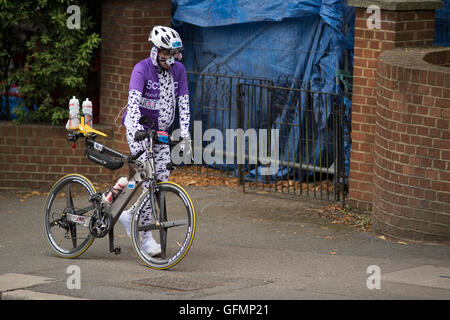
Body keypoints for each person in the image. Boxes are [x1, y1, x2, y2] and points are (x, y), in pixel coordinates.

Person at [118, 26, 190, 256]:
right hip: (138, 130)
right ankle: (145, 236)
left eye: (174, 53)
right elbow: (134, 102)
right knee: (149, 179)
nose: (172, 58)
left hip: (161, 132)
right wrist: (140, 129)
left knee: (161, 178)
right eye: (167, 53)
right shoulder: (142, 69)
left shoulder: (179, 71)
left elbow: (184, 103)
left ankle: (130, 215)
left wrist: (185, 134)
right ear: (157, 50)